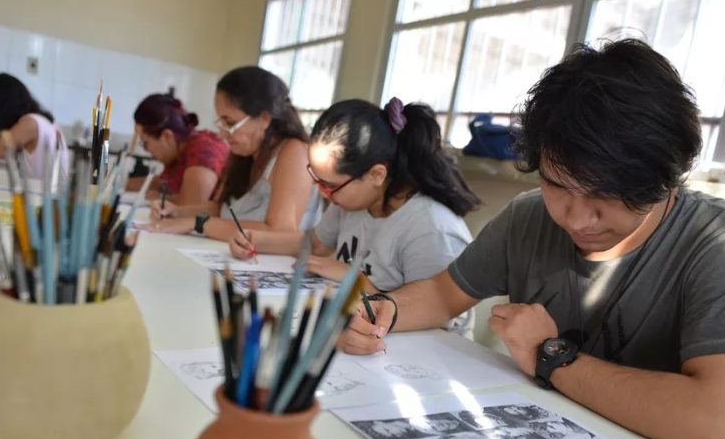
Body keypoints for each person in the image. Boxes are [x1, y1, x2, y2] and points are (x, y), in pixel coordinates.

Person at [341, 39, 725, 439]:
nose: (578, 218)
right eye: (558, 185)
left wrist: (551, 356)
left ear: (666, 179)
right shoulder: (528, 218)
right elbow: (442, 294)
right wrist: (380, 312)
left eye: (609, 194)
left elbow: (719, 429)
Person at [227, 99, 480, 319]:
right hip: (358, 328)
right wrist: (258, 241)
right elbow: (315, 245)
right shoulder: (351, 201)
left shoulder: (431, 228)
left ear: (376, 175)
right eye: (316, 179)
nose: (322, 192)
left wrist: (355, 280)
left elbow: (434, 313)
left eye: (330, 185)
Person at [146, 66, 320, 242]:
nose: (222, 133)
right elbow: (223, 210)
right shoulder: (248, 153)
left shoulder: (294, 153)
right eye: (222, 122)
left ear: (264, 119)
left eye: (231, 123)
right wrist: (177, 212)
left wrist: (198, 224)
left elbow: (279, 232)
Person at [129, 94, 228, 206]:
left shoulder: (204, 150)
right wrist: (120, 184)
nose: (147, 150)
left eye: (145, 143)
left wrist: (161, 198)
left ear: (166, 136)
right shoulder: (178, 151)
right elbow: (160, 183)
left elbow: (192, 206)